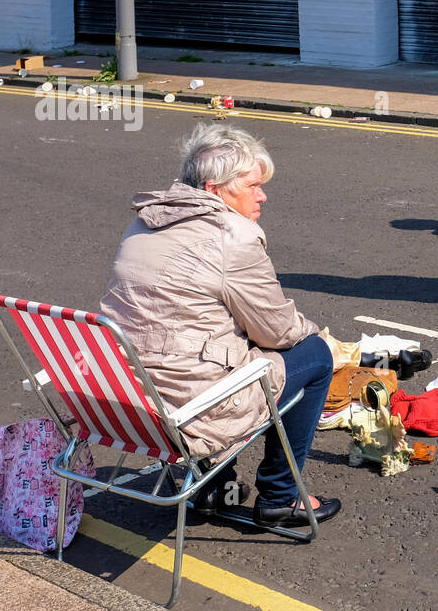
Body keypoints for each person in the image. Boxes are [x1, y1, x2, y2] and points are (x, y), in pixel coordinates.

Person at [100, 123, 341, 527]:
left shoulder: (144, 221)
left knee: (214, 345)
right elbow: (278, 330)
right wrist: (313, 330)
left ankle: (212, 488)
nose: (262, 195)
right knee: (313, 355)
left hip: (125, 395)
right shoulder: (233, 236)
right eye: (252, 185)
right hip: (186, 409)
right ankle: (281, 497)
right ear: (214, 190)